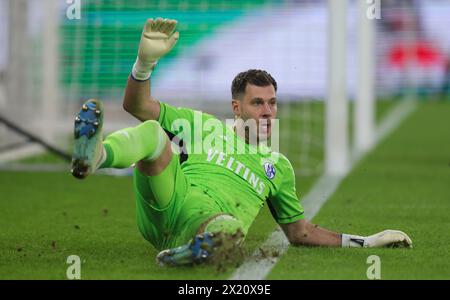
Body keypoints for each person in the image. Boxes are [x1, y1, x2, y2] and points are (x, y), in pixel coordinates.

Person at [71, 18, 412, 266]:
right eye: (258, 103)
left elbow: (300, 233)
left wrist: (366, 241)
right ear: (237, 107)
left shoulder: (278, 168)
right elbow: (136, 106)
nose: (268, 112)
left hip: (204, 225)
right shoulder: (199, 125)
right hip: (167, 202)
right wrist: (144, 63)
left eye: (272, 103)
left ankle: (184, 254)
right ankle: (96, 155)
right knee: (152, 132)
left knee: (230, 229)